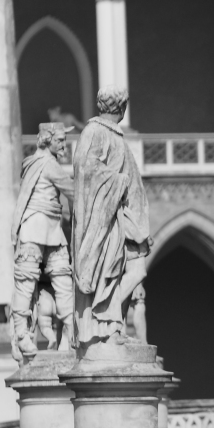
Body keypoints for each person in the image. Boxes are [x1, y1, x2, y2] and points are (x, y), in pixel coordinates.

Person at [72, 86, 150, 352]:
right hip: (107, 217)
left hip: (122, 215)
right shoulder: (94, 131)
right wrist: (120, 182)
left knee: (133, 270)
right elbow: (86, 170)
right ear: (122, 107)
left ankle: (112, 322)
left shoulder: (114, 134)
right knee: (115, 271)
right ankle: (106, 321)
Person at [11, 122, 75, 361]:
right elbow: (74, 191)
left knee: (61, 280)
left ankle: (71, 331)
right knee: (28, 282)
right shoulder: (48, 165)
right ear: (47, 140)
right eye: (60, 141)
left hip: (51, 230)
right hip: (36, 229)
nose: (64, 146)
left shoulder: (35, 163)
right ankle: (22, 334)